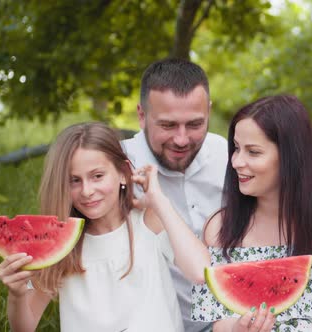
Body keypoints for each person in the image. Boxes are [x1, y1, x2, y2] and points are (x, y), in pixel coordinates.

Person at [0, 122, 210, 331]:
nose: (87, 191)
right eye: (74, 180)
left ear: (123, 172)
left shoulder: (148, 221)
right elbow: (25, 326)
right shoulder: (58, 242)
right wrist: (17, 294)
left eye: (97, 176)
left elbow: (201, 271)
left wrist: (159, 200)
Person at [191, 95, 312, 331]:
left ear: (289, 156)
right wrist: (237, 329)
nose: (236, 162)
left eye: (253, 152)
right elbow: (219, 322)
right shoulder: (219, 226)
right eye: (236, 148)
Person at [121, 58, 227, 332]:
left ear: (209, 112)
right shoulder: (114, 168)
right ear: (142, 115)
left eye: (194, 124)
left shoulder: (231, 157)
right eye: (167, 125)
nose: (181, 140)